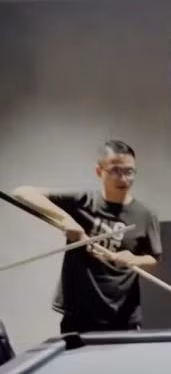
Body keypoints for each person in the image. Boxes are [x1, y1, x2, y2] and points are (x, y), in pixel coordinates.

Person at [12, 140, 162, 334]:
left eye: (129, 171)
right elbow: (22, 192)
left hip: (123, 314)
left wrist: (133, 260)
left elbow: (153, 259)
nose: (124, 178)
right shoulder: (83, 201)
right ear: (99, 171)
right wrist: (66, 220)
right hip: (79, 314)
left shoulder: (145, 214)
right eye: (115, 171)